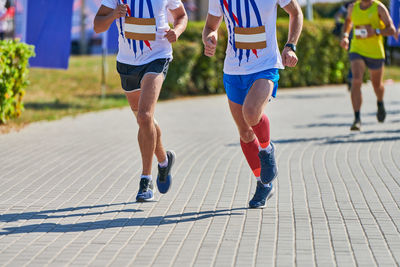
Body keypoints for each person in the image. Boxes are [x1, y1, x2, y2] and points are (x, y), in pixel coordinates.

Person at [202, 0, 303, 208]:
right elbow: (211, 26)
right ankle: (263, 184)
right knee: (245, 133)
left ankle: (266, 149)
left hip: (265, 65)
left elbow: (296, 13)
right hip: (233, 69)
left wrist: (290, 46)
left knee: (251, 111)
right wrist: (210, 37)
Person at [94, 0, 187, 202]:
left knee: (145, 116)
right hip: (127, 63)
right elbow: (97, 25)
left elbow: (181, 16)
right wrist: (112, 16)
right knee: (144, 120)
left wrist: (177, 31)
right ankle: (164, 160)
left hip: (157, 57)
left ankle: (146, 179)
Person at [340, 0, 396, 131]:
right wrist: (345, 36)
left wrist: (375, 31)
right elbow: (348, 22)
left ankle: (380, 102)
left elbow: (391, 29)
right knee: (356, 80)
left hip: (375, 51)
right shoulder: (353, 7)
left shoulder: (379, 8)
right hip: (357, 49)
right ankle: (357, 118)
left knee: (377, 85)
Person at [333, 0, 356, 90]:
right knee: (356, 57)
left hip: (350, 35)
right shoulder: (365, 4)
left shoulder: (347, 5)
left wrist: (339, 24)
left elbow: (337, 16)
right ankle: (352, 77)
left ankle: (352, 77)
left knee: (354, 57)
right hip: (354, 36)